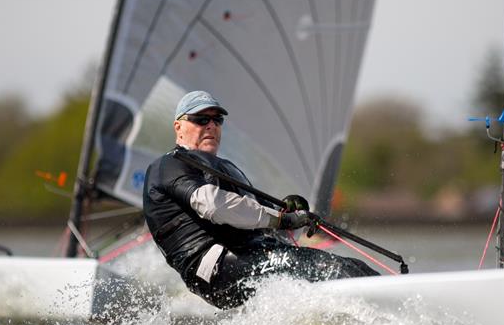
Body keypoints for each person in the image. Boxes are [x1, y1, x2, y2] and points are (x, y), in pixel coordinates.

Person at [143, 90, 378, 309]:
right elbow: (215, 206)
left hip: (249, 253)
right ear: (179, 127)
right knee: (329, 269)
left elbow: (254, 213)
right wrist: (282, 220)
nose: (211, 125)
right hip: (214, 268)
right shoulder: (168, 166)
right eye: (201, 119)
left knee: (350, 266)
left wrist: (284, 211)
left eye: (217, 120)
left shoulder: (224, 168)